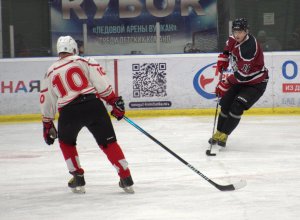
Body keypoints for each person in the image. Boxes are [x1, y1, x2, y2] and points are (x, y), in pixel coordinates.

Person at [40, 36, 134, 194]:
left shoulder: (50, 72)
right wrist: (113, 101)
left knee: (66, 143)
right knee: (109, 143)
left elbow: (47, 99)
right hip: (93, 106)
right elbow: (100, 82)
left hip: (69, 112)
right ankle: (126, 177)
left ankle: (77, 176)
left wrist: (47, 122)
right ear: (74, 49)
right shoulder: (85, 61)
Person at [209, 18, 269, 147]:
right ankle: (218, 132)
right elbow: (227, 47)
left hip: (255, 83)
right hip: (241, 79)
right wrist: (223, 58)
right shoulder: (233, 38)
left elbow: (242, 75)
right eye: (235, 31)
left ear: (246, 31)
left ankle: (224, 135)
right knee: (225, 104)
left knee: (237, 106)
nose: (237, 35)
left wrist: (225, 82)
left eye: (240, 32)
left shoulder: (250, 47)